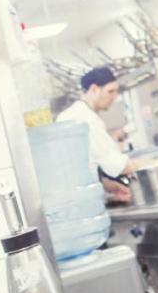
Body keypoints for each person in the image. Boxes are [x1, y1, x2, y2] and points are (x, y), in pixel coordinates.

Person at [56, 66, 135, 204]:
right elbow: (118, 166)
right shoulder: (84, 118)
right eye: (110, 91)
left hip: (76, 200)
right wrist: (150, 166)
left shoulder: (75, 114)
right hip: (80, 205)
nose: (114, 97)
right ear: (94, 89)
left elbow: (82, 168)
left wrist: (107, 185)